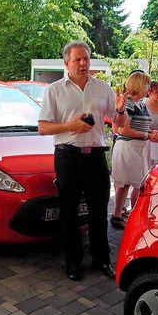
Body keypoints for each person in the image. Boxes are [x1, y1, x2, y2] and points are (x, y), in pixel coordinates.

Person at [38, 40, 127, 282]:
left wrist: (119, 109)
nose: (83, 63)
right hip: (68, 156)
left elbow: (119, 124)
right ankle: (73, 262)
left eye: (86, 58)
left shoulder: (102, 88)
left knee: (99, 210)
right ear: (66, 63)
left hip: (96, 156)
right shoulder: (54, 90)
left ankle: (101, 258)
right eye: (77, 59)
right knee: (69, 211)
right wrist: (70, 126)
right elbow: (43, 128)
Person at [110, 72, 158, 229]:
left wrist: (153, 133)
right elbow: (123, 130)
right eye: (147, 85)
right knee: (132, 183)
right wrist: (148, 135)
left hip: (139, 147)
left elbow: (142, 126)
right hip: (128, 147)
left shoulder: (142, 103)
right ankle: (129, 216)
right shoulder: (128, 104)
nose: (148, 88)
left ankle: (120, 215)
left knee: (130, 183)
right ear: (139, 85)